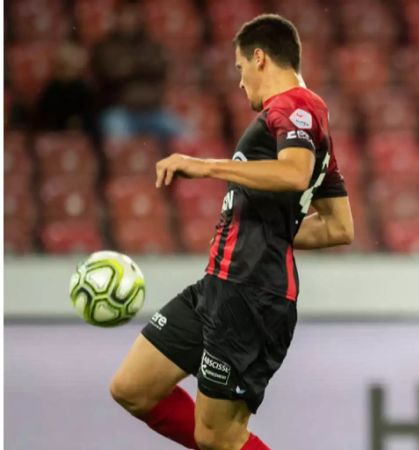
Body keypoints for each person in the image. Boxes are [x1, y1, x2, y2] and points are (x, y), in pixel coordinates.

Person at [108, 14, 354, 450]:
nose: (241, 84)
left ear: (259, 58)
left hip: (251, 292)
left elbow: (295, 174)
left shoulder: (294, 105)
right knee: (133, 387)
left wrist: (204, 166)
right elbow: (338, 227)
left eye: (240, 69)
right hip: (218, 284)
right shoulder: (311, 125)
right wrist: (274, 233)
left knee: (220, 437)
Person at [92, 1, 180, 140]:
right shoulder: (105, 46)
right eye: (124, 15)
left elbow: (160, 66)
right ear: (116, 18)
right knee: (116, 133)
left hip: (153, 111)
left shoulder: (150, 43)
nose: (129, 20)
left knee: (186, 135)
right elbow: (112, 72)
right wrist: (143, 66)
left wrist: (130, 66)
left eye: (132, 15)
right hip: (121, 111)